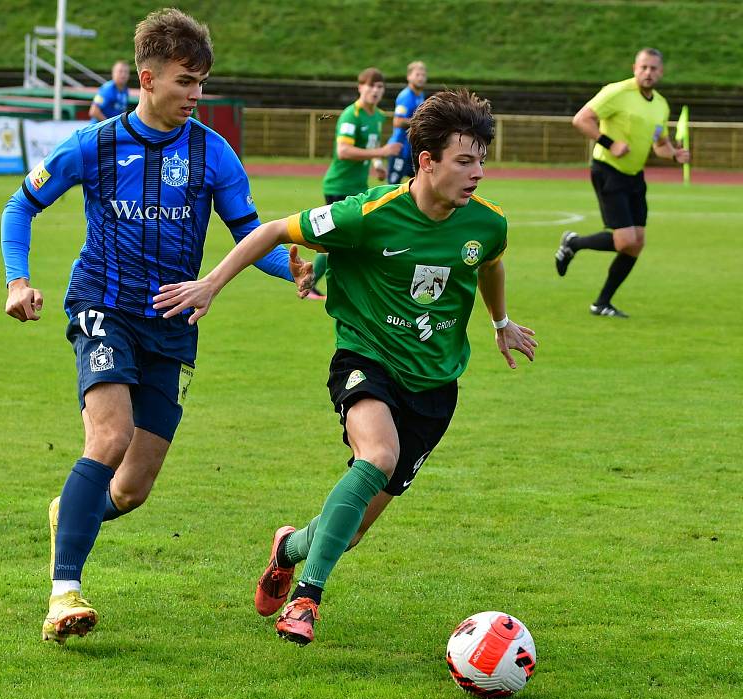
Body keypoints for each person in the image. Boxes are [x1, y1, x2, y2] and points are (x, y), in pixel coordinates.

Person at [152, 89, 538, 646]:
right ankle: (307, 599)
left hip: (436, 385)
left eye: (482, 160)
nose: (477, 172)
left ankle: (289, 548)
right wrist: (212, 283)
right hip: (366, 357)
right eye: (464, 160)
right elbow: (273, 231)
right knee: (377, 455)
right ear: (427, 162)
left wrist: (501, 323)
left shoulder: (487, 224)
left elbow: (489, 266)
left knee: (349, 529)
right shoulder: (369, 212)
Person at [0, 8, 313, 645]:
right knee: (109, 437)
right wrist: (17, 280)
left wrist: (298, 274)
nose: (196, 96)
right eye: (184, 82)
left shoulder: (213, 152)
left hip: (173, 322)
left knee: (133, 488)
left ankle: (73, 508)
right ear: (146, 78)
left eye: (201, 83)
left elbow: (251, 238)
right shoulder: (96, 143)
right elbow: (19, 205)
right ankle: (64, 595)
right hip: (102, 306)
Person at [555, 48, 690, 317]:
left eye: (653, 68)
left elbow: (659, 144)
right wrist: (610, 142)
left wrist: (674, 154)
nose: (648, 72)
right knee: (626, 240)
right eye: (644, 67)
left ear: (661, 72)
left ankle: (601, 303)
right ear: (635, 68)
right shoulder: (617, 92)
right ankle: (573, 243)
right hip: (608, 170)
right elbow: (581, 119)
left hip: (635, 175)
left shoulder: (661, 105)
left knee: (636, 242)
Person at [308, 67, 402, 300]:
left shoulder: (377, 116)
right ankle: (312, 282)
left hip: (357, 187)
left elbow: (371, 146)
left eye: (380, 87)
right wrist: (383, 152)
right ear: (360, 87)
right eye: (371, 86)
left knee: (350, 239)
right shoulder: (352, 115)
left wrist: (378, 163)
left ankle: (350, 285)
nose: (375, 91)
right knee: (338, 240)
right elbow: (343, 151)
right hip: (339, 186)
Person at [386, 60, 427, 184]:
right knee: (393, 186)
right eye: (417, 75)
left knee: (419, 184)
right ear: (409, 76)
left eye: (423, 75)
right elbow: (398, 122)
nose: (421, 78)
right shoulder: (406, 96)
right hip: (400, 148)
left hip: (412, 148)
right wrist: (421, 123)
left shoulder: (420, 95)